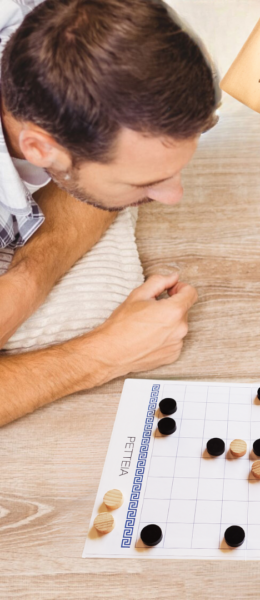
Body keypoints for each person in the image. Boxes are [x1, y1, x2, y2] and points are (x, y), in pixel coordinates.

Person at [0, 0, 220, 426]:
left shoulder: (103, 26)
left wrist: (25, 284)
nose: (173, 195)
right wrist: (104, 354)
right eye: (142, 184)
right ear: (41, 149)